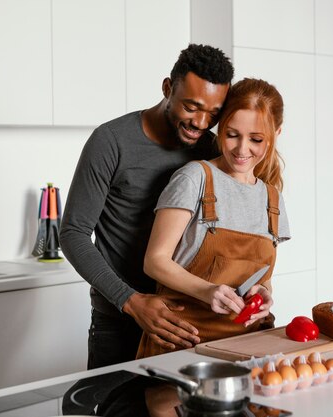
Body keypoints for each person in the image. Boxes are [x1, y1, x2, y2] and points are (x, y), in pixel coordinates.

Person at [59, 44, 234, 370]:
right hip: (120, 320)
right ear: (168, 88)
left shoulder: (210, 148)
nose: (201, 121)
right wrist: (131, 301)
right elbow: (73, 233)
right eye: (192, 107)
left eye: (213, 113)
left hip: (189, 322)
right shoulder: (111, 141)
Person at [136, 78, 291, 361]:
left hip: (249, 347)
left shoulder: (272, 198)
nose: (242, 149)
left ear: (276, 133)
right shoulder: (195, 178)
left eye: (256, 139)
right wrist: (208, 291)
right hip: (184, 343)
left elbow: (263, 278)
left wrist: (264, 294)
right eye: (232, 134)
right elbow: (155, 260)